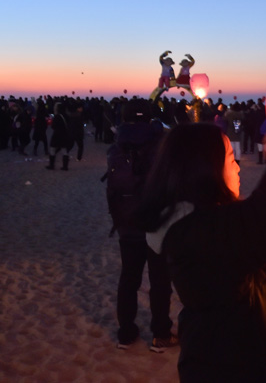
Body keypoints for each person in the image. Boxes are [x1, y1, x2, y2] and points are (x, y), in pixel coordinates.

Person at [142, 100, 266, 382]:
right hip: (233, 368)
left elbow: (252, 225)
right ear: (204, 171)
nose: (238, 166)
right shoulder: (196, 235)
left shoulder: (208, 222)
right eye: (230, 158)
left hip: (252, 361)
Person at [104, 99, 177, 352]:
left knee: (129, 278)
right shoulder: (161, 143)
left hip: (127, 220)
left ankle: (125, 333)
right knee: (160, 281)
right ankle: (160, 334)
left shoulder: (116, 146)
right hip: (157, 223)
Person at [46, 102, 72, 170]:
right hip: (65, 135)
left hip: (57, 135)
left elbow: (53, 126)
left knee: (52, 150)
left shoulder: (57, 116)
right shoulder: (67, 115)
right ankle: (65, 166)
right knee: (64, 151)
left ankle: (51, 165)